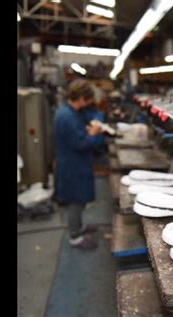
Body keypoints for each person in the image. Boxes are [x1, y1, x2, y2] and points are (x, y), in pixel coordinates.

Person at [53, 79, 103, 250]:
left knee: (80, 200)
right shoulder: (67, 117)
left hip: (75, 163)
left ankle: (79, 227)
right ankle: (74, 236)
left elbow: (78, 134)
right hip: (72, 165)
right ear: (81, 98)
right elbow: (81, 143)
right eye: (87, 100)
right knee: (75, 201)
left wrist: (88, 131)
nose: (88, 104)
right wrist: (93, 133)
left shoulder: (70, 112)